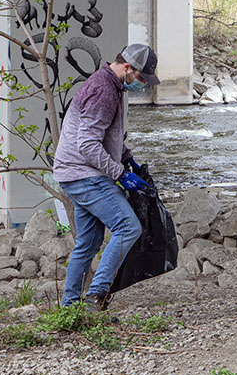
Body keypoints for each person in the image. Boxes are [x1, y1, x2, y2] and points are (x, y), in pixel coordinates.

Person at [53, 43, 160, 311]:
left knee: (87, 243)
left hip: (73, 173)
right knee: (128, 226)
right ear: (127, 67)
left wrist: (126, 157)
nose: (143, 84)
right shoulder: (104, 92)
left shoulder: (110, 86)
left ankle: (69, 307)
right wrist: (120, 174)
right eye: (141, 78)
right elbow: (87, 145)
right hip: (85, 174)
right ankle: (95, 297)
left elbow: (105, 136)